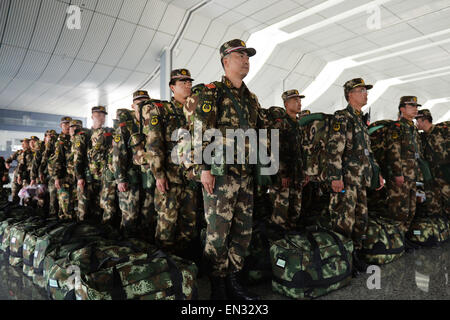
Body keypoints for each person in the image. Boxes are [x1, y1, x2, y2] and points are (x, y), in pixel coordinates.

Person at [187, 39, 269, 300]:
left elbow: (259, 133)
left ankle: (234, 281)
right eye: (240, 55)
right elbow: (200, 130)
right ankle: (217, 286)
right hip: (220, 174)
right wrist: (204, 168)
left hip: (245, 174)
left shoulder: (250, 98)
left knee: (242, 231)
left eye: (248, 56)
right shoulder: (212, 92)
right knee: (218, 232)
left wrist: (263, 166)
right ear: (225, 61)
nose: (246, 60)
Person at [327, 78, 384, 275]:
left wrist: (376, 173)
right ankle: (342, 260)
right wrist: (335, 177)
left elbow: (368, 151)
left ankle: (355, 256)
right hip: (346, 180)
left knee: (361, 220)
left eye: (365, 91)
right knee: (344, 220)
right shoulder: (342, 117)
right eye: (361, 90)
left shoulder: (360, 120)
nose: (365, 94)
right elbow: (334, 150)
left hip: (360, 181)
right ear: (350, 95)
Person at [140, 69, 198, 256]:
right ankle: (164, 267)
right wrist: (158, 175)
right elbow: (154, 144)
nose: (188, 85)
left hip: (191, 178)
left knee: (189, 224)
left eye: (189, 82)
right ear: (172, 87)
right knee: (167, 224)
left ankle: (184, 267)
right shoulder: (162, 110)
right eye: (183, 83)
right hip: (170, 179)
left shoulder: (195, 112)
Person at [383, 96, 423, 234]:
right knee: (399, 210)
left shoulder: (413, 129)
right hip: (401, 177)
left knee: (411, 209)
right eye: (411, 106)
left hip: (411, 177)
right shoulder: (397, 128)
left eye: (416, 106)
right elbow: (393, 153)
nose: (415, 109)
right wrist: (397, 174)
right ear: (402, 109)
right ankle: (395, 240)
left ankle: (403, 239)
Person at [269, 90, 307, 231]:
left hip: (296, 175)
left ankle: (290, 245)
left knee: (295, 211)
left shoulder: (298, 124)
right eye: (295, 100)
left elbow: (300, 151)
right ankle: (277, 243)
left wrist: (304, 173)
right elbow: (275, 149)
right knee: (280, 211)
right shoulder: (280, 124)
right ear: (286, 104)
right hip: (283, 176)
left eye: (299, 100)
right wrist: (282, 174)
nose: (299, 103)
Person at [74, 106, 113, 223]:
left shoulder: (108, 133)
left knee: (98, 209)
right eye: (98, 114)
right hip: (88, 178)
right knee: (84, 209)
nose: (102, 117)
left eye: (103, 115)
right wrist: (79, 177)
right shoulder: (85, 134)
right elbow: (78, 157)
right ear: (92, 116)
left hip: (102, 178)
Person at [415, 109, 449, 217]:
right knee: (433, 206)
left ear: (424, 120)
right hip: (431, 178)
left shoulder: (442, 131)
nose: (416, 123)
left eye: (418, 120)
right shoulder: (421, 137)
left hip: (445, 175)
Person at [54, 120, 83, 221]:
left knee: (76, 206)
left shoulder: (82, 141)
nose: (74, 129)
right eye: (72, 127)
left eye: (77, 127)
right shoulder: (63, 142)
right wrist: (57, 177)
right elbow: (58, 160)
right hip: (65, 178)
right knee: (65, 204)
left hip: (78, 179)